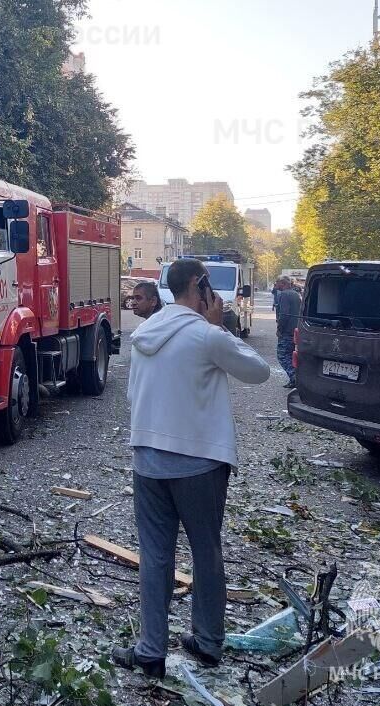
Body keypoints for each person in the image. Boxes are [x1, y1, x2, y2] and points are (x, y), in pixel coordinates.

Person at [112, 258, 270, 678]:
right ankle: (207, 641)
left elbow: (133, 395)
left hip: (146, 458)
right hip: (199, 464)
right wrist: (220, 325)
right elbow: (260, 372)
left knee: (155, 555)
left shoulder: (144, 332)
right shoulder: (206, 336)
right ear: (200, 286)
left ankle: (150, 650)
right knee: (206, 551)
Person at [274, 277, 302, 389]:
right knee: (291, 355)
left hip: (286, 331)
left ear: (283, 283)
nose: (276, 284)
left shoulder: (284, 295)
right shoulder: (295, 294)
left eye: (277, 282)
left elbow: (284, 314)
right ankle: (294, 379)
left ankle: (294, 377)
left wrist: (279, 329)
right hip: (295, 329)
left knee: (282, 356)